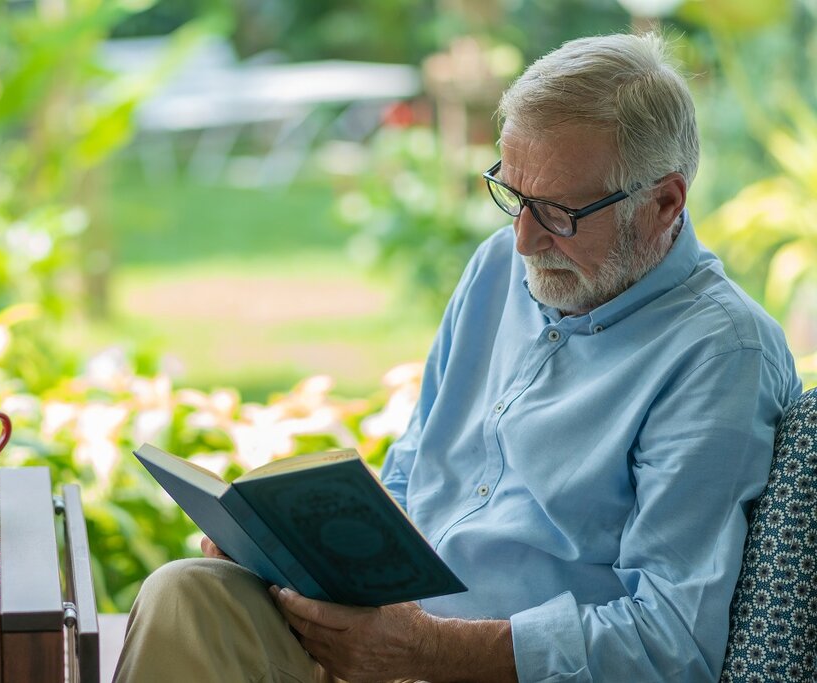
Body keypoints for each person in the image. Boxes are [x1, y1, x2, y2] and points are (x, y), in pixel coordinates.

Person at [112, 32, 802, 683]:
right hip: (391, 635)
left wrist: (427, 649)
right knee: (187, 593)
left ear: (664, 202)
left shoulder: (718, 355)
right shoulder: (498, 267)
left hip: (489, 665)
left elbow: (672, 640)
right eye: (513, 194)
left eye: (559, 213)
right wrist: (293, 553)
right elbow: (414, 476)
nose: (525, 240)